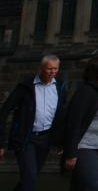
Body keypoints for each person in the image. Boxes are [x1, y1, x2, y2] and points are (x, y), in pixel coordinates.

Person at [52, 56, 98, 191]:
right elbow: (74, 122)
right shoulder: (86, 91)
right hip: (85, 146)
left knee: (79, 186)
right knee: (92, 186)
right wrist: (71, 153)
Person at [0, 54, 66, 191]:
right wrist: (1, 142)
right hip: (26, 138)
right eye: (49, 68)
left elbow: (61, 115)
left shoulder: (60, 86)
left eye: (55, 68)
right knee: (30, 178)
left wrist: (61, 140)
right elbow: (4, 111)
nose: (52, 72)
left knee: (30, 177)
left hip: (45, 139)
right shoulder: (25, 87)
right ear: (41, 68)